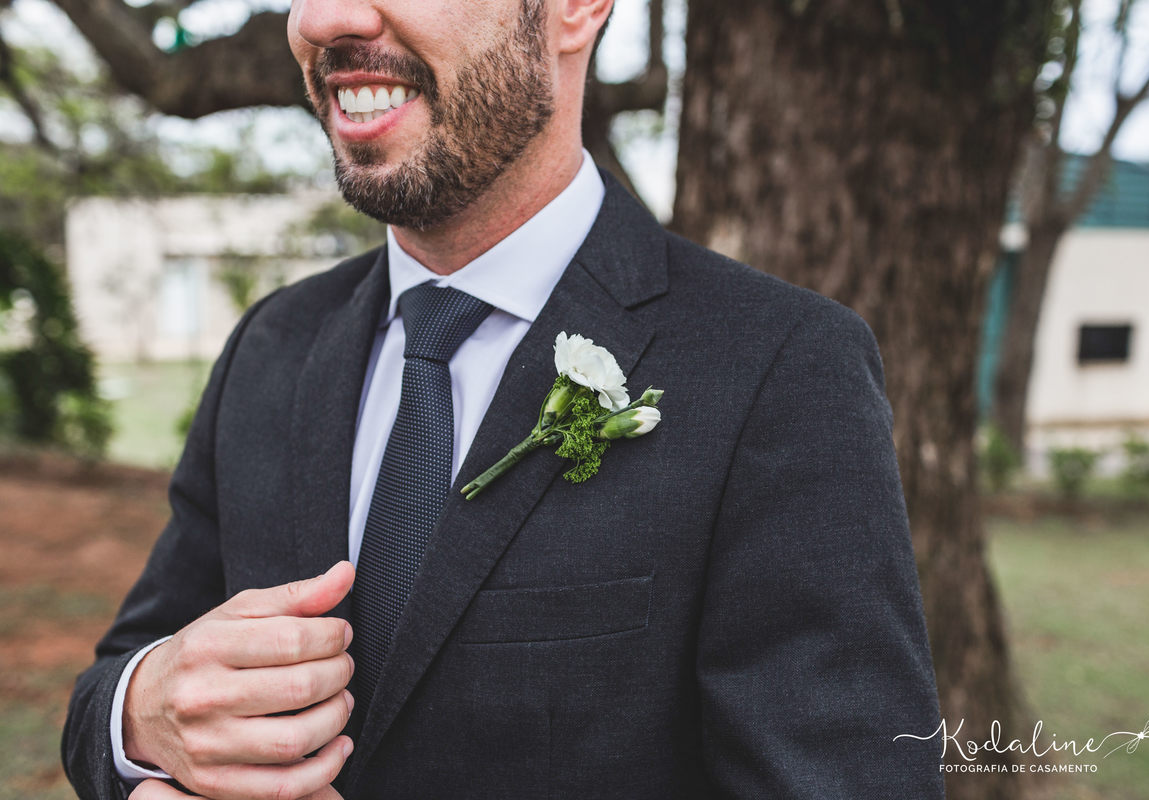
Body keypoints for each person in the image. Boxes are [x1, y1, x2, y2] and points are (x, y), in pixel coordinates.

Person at [63, 0, 945, 797]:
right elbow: (121, 680)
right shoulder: (273, 345)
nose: (323, 18)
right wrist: (142, 715)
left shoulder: (781, 368)